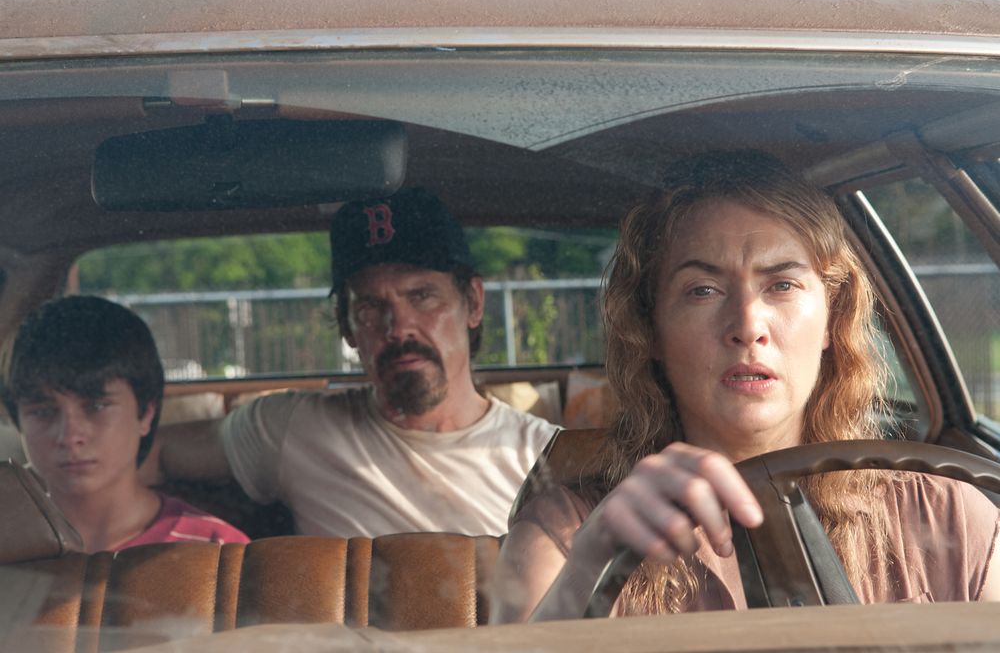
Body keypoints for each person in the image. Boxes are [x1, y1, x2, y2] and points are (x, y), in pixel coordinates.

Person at [490, 151, 1000, 623]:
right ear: (651, 329)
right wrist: (592, 564)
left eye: (782, 285)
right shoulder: (564, 540)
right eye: (703, 290)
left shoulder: (954, 521)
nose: (748, 325)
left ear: (832, 317)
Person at [144, 188, 558, 538]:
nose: (398, 327)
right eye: (371, 306)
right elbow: (145, 454)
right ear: (347, 327)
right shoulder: (293, 427)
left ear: (474, 303)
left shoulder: (544, 457)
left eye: (421, 296)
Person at [0, 295, 249, 553]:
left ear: (146, 413)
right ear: (18, 422)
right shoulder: (8, 545)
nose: (70, 436)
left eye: (96, 406)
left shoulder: (220, 552)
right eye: (43, 412)